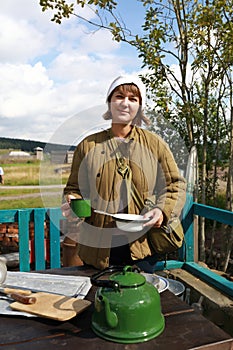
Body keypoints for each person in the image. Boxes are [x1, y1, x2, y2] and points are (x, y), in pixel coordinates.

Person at [61, 75, 187, 270]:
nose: (125, 103)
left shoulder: (155, 144)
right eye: (119, 96)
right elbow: (74, 188)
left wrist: (161, 211)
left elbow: (175, 185)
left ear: (139, 106)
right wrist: (72, 200)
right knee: (97, 297)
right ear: (110, 102)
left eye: (133, 99)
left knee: (140, 297)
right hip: (97, 247)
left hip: (143, 246)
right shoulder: (88, 146)